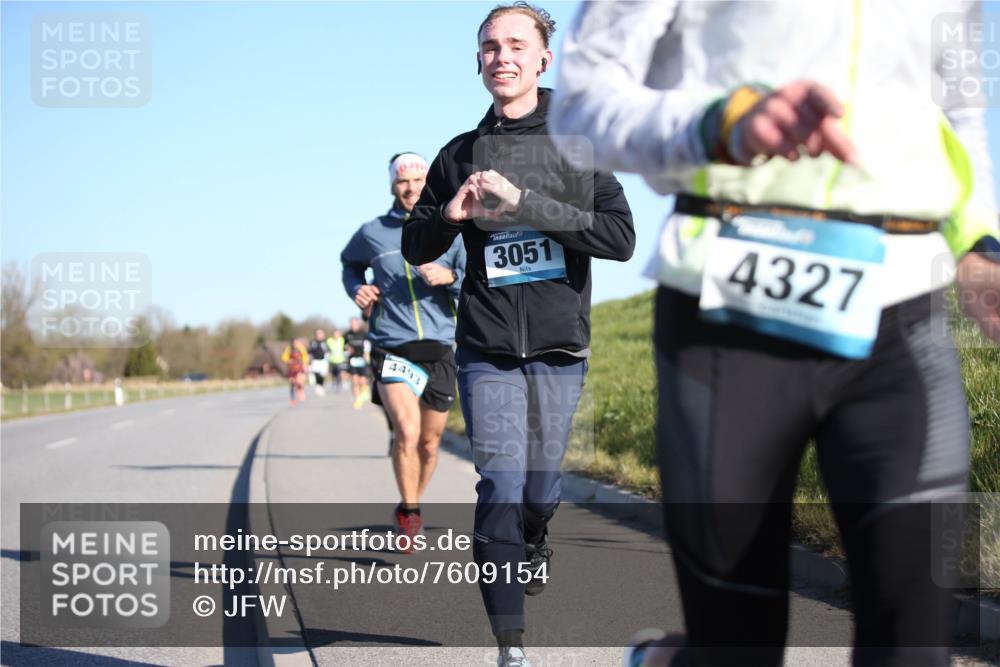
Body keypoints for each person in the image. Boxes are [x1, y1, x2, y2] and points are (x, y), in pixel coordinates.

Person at [548, 3, 1000, 666]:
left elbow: (958, 109)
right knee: (736, 647)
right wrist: (720, 122)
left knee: (914, 645)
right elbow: (580, 108)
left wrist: (978, 240)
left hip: (901, 301)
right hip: (728, 302)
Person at [401, 4, 635, 665]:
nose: (500, 56)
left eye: (514, 45)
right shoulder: (458, 155)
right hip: (486, 347)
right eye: (488, 46)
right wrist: (450, 215)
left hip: (560, 346)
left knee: (539, 490)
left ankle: (535, 536)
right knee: (500, 485)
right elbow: (416, 243)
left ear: (542, 59)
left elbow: (619, 237)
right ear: (477, 61)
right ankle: (511, 644)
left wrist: (526, 204)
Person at [341, 152, 467, 544]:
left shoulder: (453, 229)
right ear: (392, 185)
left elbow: (474, 280)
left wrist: (451, 276)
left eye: (417, 181)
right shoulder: (373, 232)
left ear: (429, 182)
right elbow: (349, 264)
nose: (410, 189)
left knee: (429, 443)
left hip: (440, 346)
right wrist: (357, 289)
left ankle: (409, 503)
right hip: (392, 346)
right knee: (408, 431)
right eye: (402, 182)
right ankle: (410, 515)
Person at [343, 317, 371, 409]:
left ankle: (365, 390)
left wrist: (366, 353)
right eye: (352, 324)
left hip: (362, 359)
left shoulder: (364, 334)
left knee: (362, 381)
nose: (353, 326)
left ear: (358, 324)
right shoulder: (347, 334)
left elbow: (368, 345)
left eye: (355, 324)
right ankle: (357, 399)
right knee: (354, 381)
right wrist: (347, 349)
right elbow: (344, 347)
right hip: (353, 360)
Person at [280, 337, 308, 406]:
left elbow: (305, 357)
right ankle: (292, 399)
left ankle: (301, 391)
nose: (295, 344)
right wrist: (288, 360)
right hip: (291, 369)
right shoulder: (289, 349)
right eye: (294, 343)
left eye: (296, 343)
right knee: (292, 383)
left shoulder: (301, 348)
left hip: (299, 368)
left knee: (299, 382)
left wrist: (305, 364)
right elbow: (284, 358)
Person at [307, 328, 330, 397]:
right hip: (315, 360)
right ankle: (318, 386)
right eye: (318, 334)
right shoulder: (313, 342)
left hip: (323, 361)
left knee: (322, 375)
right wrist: (309, 360)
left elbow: (328, 351)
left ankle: (321, 386)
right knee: (316, 373)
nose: (319, 335)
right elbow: (310, 352)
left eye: (321, 333)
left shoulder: (325, 342)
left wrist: (328, 360)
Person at [326, 328, 349, 392]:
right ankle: (334, 383)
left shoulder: (343, 340)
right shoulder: (329, 340)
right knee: (334, 373)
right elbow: (327, 349)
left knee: (341, 372)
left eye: (337, 333)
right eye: (335, 333)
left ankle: (342, 383)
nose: (336, 335)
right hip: (332, 360)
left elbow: (346, 348)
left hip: (341, 359)